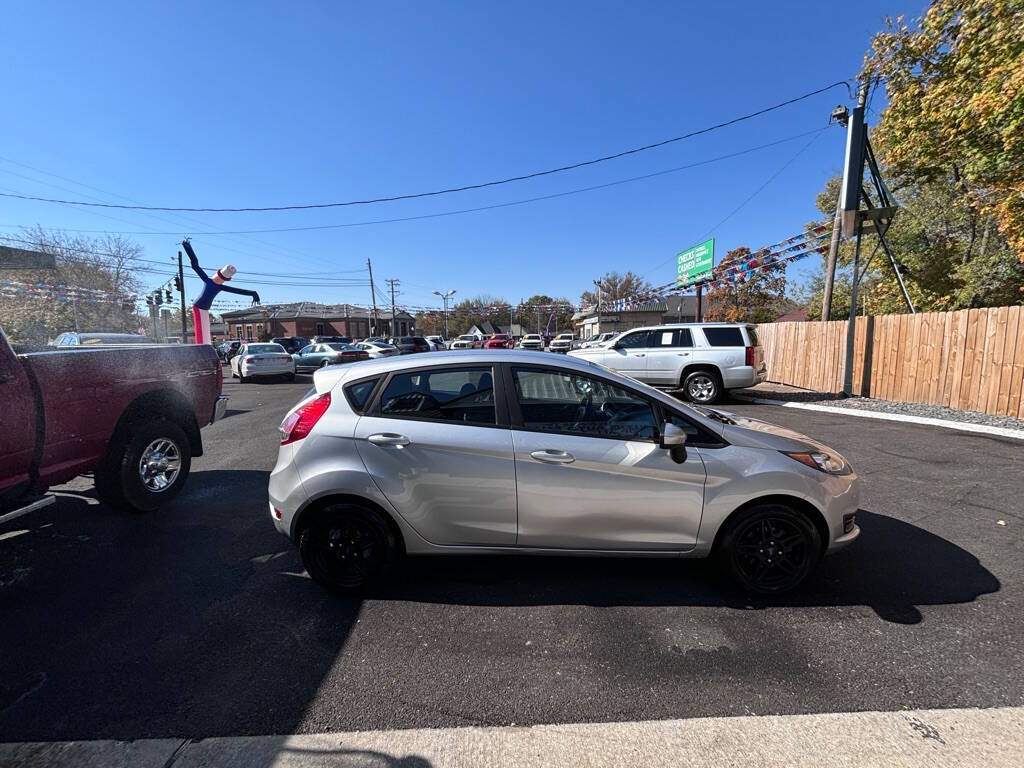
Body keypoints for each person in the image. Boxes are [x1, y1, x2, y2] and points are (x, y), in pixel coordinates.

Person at [182, 239, 261, 344]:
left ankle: (205, 348)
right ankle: (202, 349)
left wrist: (253, 293)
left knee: (205, 330)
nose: (220, 280)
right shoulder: (207, 280)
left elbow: (237, 291)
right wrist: (188, 248)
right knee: (201, 330)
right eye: (220, 277)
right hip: (198, 305)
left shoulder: (219, 286)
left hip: (205, 308)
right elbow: (195, 265)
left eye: (222, 279)